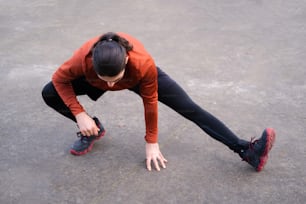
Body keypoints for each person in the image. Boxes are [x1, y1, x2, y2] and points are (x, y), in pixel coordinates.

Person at [42, 32, 276, 172]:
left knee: (189, 108)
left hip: (139, 77)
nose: (112, 87)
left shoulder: (142, 64)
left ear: (126, 61)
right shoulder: (81, 59)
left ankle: (246, 150)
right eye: (107, 81)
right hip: (96, 78)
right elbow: (58, 79)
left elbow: (150, 103)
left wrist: (151, 141)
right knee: (49, 93)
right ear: (92, 64)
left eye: (116, 80)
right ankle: (92, 129)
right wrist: (80, 113)